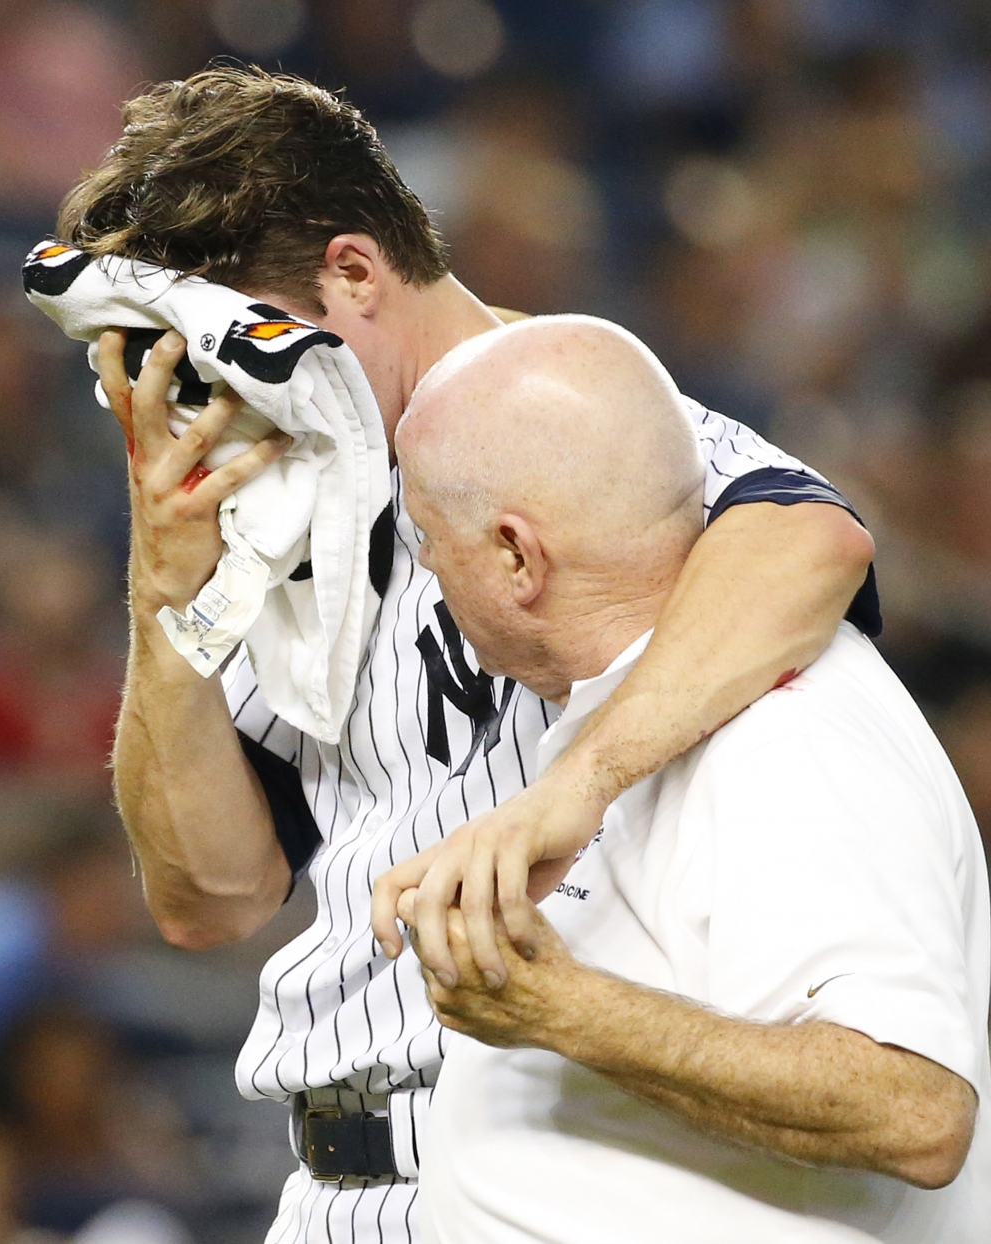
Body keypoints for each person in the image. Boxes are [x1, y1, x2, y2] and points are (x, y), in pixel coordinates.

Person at [58, 67, 877, 1241]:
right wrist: (162, 594)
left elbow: (810, 541)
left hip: (561, 1162)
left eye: (222, 341)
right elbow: (209, 895)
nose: (208, 391)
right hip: (332, 1182)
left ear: (351, 273)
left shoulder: (577, 420)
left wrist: (568, 789)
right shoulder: (274, 509)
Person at [390, 315, 990, 1244]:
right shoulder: (620, 718)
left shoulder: (786, 739)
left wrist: (562, 1009)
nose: (428, 569)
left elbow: (914, 1108)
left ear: (517, 555)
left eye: (430, 537)